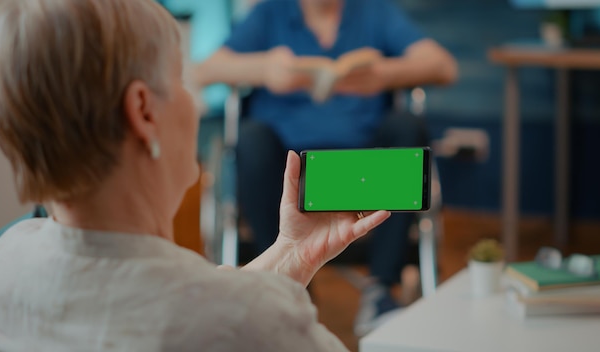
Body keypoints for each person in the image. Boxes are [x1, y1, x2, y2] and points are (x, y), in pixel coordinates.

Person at [0, 0, 391, 350]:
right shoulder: (255, 324)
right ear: (143, 112)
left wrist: (292, 255)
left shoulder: (7, 260)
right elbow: (219, 316)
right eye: (177, 80)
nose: (191, 102)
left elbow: (182, 305)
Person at [196, 0, 458, 335]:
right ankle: (291, 290)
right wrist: (265, 70)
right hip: (289, 170)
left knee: (408, 126)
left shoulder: (373, 12)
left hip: (362, 168)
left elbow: (443, 66)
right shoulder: (270, 13)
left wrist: (383, 75)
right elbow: (205, 70)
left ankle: (381, 291)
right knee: (250, 139)